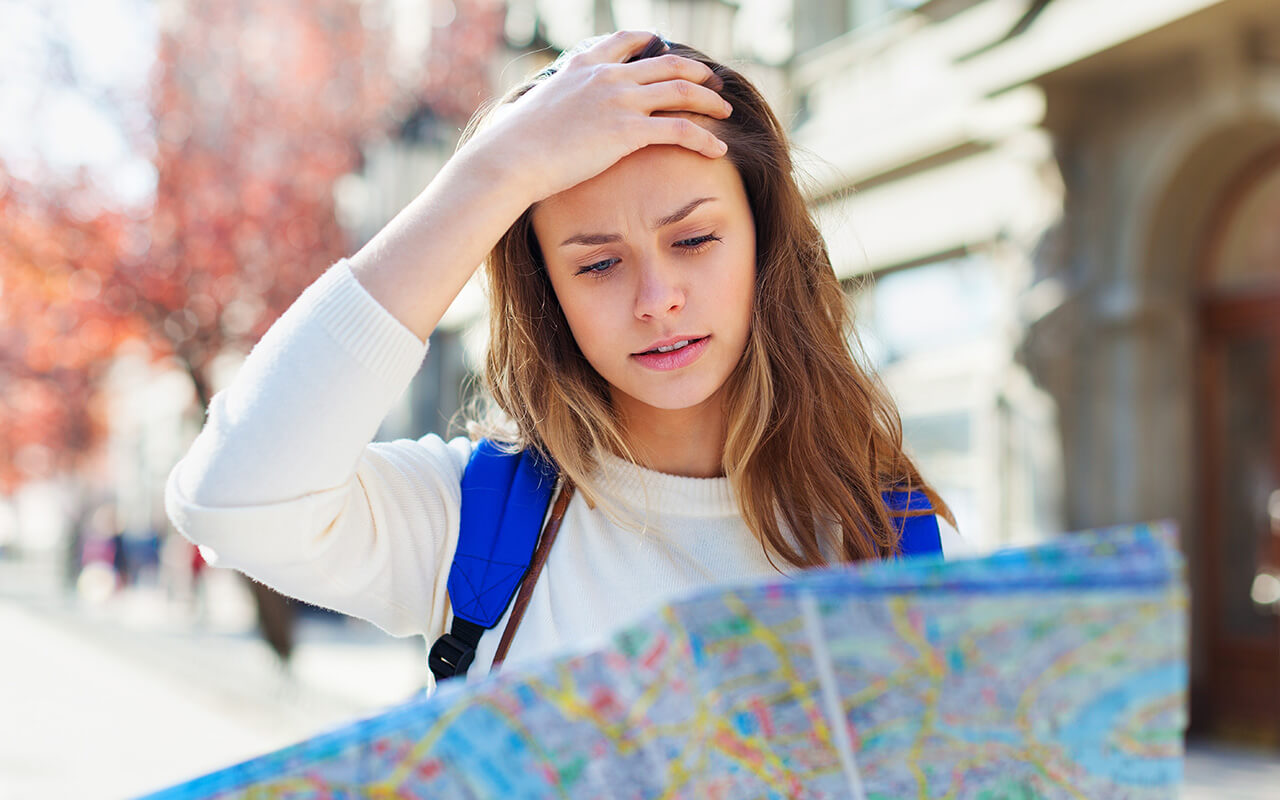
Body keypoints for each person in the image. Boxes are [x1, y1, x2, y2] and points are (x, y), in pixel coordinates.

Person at [165, 32, 962, 691]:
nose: (657, 298)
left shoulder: (884, 538)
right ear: (550, 296)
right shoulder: (473, 523)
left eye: (693, 240)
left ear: (764, 245)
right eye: (597, 264)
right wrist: (494, 172)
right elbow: (232, 500)